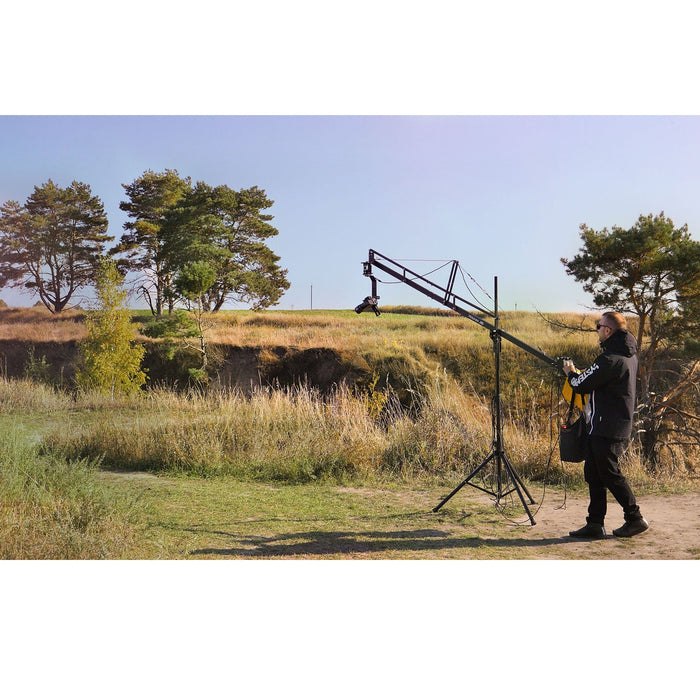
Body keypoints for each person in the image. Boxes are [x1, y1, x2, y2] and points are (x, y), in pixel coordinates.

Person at [561, 311, 649, 539]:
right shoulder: (628, 356)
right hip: (608, 424)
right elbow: (595, 379)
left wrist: (570, 373)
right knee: (594, 473)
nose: (597, 330)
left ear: (608, 330)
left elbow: (580, 384)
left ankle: (635, 518)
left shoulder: (609, 359)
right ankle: (595, 523)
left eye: (599, 327)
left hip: (606, 427)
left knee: (610, 473)